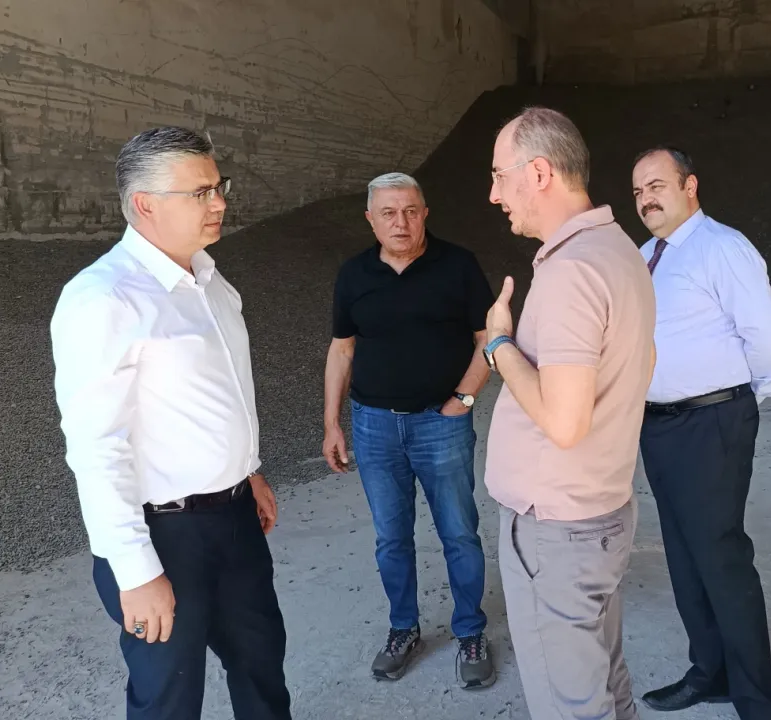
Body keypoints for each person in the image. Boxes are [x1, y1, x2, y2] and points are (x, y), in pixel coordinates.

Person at [50, 126, 292, 720]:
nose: (220, 203)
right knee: (169, 699)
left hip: (235, 521)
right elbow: (96, 447)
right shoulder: (103, 299)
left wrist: (249, 471)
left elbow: (223, 395)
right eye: (200, 192)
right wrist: (135, 572)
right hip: (163, 537)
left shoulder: (210, 282)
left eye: (219, 186)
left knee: (263, 671)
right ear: (145, 204)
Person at [482, 106, 656, 720]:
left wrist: (499, 345)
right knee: (604, 682)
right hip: (599, 511)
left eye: (500, 176)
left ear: (538, 173)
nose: (494, 194)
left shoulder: (571, 271)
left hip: (556, 529)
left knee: (571, 704)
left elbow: (564, 422)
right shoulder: (619, 251)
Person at [629, 146, 771, 720]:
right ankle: (711, 672)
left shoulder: (723, 247)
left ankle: (757, 700)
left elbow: (766, 338)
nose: (646, 199)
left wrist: (742, 401)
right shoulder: (645, 256)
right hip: (659, 424)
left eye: (657, 185)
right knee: (683, 555)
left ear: (690, 185)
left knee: (721, 558)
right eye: (638, 191)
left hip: (713, 421)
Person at [322, 172, 496, 689]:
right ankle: (404, 629)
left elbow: (488, 337)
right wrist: (332, 422)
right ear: (371, 219)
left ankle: (470, 632)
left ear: (425, 214)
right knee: (391, 538)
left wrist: (464, 399)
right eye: (389, 213)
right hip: (373, 426)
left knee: (459, 533)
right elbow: (342, 349)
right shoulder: (354, 274)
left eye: (411, 211)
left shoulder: (458, 266)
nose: (401, 222)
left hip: (441, 424)